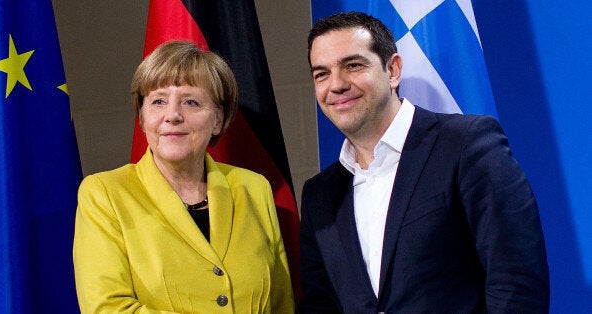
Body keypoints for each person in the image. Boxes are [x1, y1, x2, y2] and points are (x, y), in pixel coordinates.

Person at [299, 11, 549, 313]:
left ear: (392, 70)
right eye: (321, 74)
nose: (336, 85)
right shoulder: (319, 194)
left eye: (352, 65)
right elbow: (319, 304)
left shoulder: (465, 144)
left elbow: (516, 282)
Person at [73, 40, 294, 313]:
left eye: (191, 102)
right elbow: (106, 308)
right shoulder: (105, 194)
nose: (173, 115)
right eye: (158, 101)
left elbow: (282, 303)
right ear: (142, 118)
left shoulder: (253, 188)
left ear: (217, 119)